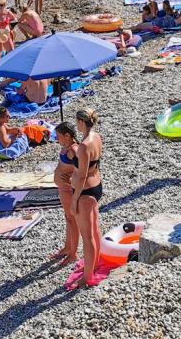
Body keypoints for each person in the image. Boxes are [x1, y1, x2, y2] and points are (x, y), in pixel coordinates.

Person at [72, 108, 103, 287]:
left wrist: (74, 199)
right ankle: (95, 264)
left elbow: (82, 176)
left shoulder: (84, 146)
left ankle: (87, 277)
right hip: (96, 185)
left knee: (87, 235)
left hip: (85, 191)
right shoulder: (97, 137)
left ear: (81, 122)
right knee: (95, 229)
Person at [52, 122, 81, 263]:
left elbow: (82, 170)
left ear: (67, 135)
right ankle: (68, 247)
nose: (57, 139)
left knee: (72, 219)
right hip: (63, 188)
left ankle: (73, 253)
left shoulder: (74, 150)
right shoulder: (66, 147)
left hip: (68, 189)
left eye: (59, 136)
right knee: (68, 218)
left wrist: (71, 178)